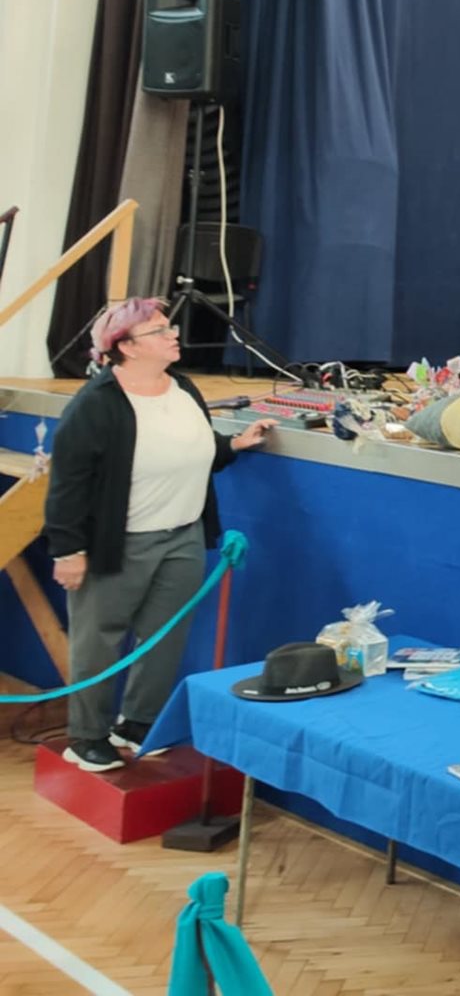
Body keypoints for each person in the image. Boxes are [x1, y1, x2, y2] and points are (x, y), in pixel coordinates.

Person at [43, 298, 274, 772]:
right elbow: (67, 485)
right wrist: (68, 550)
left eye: (170, 327)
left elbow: (193, 448)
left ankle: (136, 723)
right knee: (98, 641)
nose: (174, 334)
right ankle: (86, 736)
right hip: (118, 543)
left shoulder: (183, 387)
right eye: (159, 330)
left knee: (165, 637)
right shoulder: (96, 404)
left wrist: (234, 444)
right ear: (126, 347)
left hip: (182, 537)